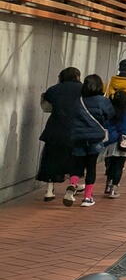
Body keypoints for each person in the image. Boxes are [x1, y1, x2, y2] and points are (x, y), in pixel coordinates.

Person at [64, 74, 114, 207]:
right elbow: (110, 115)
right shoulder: (102, 101)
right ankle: (87, 197)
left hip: (78, 137)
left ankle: (73, 184)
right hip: (95, 138)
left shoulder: (77, 101)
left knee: (77, 165)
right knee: (91, 167)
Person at [37, 67, 84, 202]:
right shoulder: (83, 89)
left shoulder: (54, 89)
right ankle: (72, 186)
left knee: (51, 159)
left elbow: (46, 107)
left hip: (55, 130)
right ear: (77, 76)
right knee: (74, 160)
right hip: (76, 130)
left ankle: (49, 191)